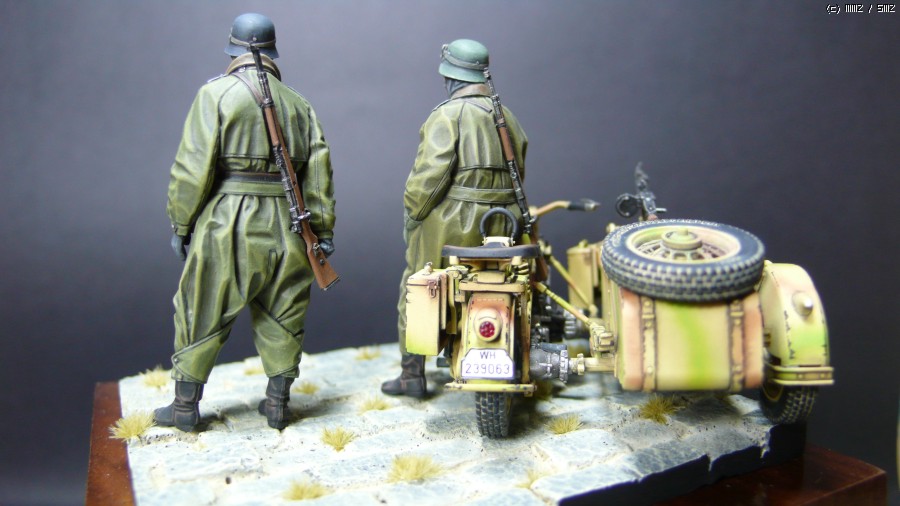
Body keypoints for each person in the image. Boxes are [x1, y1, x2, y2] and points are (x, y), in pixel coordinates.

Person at [154, 13, 336, 431]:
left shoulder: (215, 94)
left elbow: (192, 168)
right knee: (285, 308)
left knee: (203, 305)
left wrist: (181, 223)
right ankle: (277, 403)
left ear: (233, 48)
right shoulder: (299, 104)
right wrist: (322, 231)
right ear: (272, 51)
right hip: (290, 222)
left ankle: (184, 407)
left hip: (227, 222)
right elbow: (319, 175)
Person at [381, 39, 528, 397]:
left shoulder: (447, 115)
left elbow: (428, 179)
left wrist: (414, 214)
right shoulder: (507, 117)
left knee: (419, 287)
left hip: (453, 226)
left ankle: (412, 374)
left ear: (451, 77)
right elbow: (519, 174)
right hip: (504, 222)